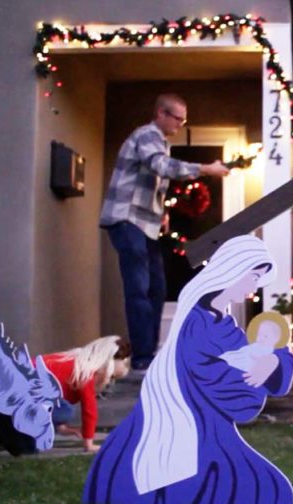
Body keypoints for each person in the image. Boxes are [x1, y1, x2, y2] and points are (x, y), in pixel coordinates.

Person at [83, 235, 293, 504]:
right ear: (234, 269)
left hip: (214, 425)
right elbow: (209, 375)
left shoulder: (226, 323)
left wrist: (271, 362)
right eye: (253, 277)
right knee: (261, 493)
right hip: (192, 421)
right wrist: (250, 381)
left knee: (271, 493)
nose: (253, 288)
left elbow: (255, 354)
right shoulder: (196, 322)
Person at [100, 93, 230, 371]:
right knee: (139, 288)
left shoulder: (160, 143)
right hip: (126, 219)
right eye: (178, 118)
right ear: (161, 113)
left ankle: (149, 353)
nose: (181, 124)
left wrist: (163, 213)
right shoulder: (147, 135)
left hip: (145, 224)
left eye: (184, 120)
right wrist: (205, 168)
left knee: (157, 288)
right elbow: (160, 166)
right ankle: (142, 359)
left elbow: (154, 181)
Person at [0, 335, 131, 456]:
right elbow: (89, 409)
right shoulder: (86, 372)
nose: (109, 382)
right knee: (63, 412)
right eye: (112, 377)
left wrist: (62, 428)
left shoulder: (73, 361)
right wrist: (89, 442)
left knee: (26, 445)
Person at [220, 311, 290, 373]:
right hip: (241, 355)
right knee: (229, 357)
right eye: (259, 334)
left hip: (248, 362)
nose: (261, 338)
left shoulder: (269, 350)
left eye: (265, 336)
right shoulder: (254, 344)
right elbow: (243, 349)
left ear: (276, 339)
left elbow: (261, 359)